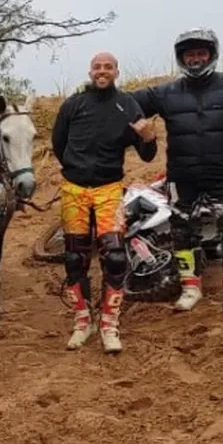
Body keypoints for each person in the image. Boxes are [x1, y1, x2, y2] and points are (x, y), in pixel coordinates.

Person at [130, 28, 223, 313]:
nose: (195, 59)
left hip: (222, 174)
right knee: (182, 230)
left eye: (201, 53)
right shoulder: (166, 91)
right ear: (181, 58)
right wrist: (97, 94)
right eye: (189, 54)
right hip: (181, 176)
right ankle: (191, 288)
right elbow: (126, 103)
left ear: (211, 55)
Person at [52, 52, 158, 353]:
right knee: (74, 258)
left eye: (108, 67)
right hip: (74, 190)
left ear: (116, 72)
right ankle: (82, 321)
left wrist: (149, 138)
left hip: (109, 190)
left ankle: (109, 325)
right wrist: (77, 169)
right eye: (97, 67)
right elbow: (58, 144)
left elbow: (147, 154)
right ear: (90, 71)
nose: (102, 71)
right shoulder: (73, 103)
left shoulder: (128, 104)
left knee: (114, 257)